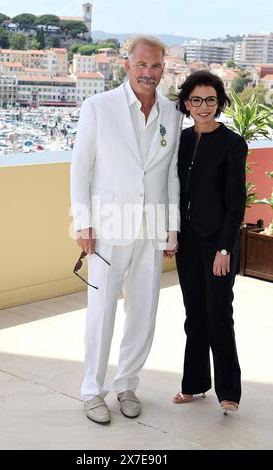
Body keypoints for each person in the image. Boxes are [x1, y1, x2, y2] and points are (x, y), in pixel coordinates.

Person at [70, 35, 182, 424]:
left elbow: (169, 175)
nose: (148, 73)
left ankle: (127, 383)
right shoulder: (98, 107)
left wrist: (172, 228)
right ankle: (92, 391)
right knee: (101, 312)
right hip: (106, 228)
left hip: (150, 229)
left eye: (155, 66)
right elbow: (80, 168)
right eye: (142, 65)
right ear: (127, 65)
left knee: (143, 312)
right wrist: (82, 221)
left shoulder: (171, 113)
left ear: (163, 69)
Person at [173, 70, 248, 414]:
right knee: (194, 315)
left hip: (218, 243)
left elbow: (236, 204)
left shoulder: (233, 143)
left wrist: (224, 249)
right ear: (186, 103)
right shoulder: (181, 139)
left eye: (211, 100)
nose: (204, 107)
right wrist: (170, 233)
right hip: (187, 242)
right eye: (196, 100)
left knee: (220, 313)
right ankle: (194, 384)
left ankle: (229, 391)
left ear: (219, 102)